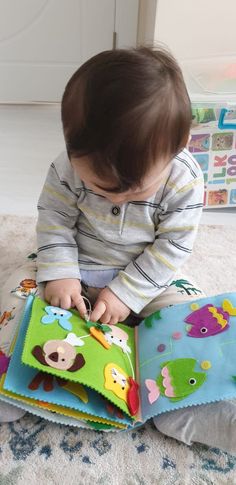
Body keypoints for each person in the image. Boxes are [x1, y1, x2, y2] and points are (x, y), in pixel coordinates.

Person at [0, 47, 235, 454]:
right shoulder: (66, 167)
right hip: (75, 261)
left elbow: (173, 247)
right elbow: (53, 218)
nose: (118, 199)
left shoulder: (184, 179)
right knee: (16, 298)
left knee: (195, 324)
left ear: (179, 144)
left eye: (134, 189)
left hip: (150, 275)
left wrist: (126, 293)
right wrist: (59, 272)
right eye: (100, 185)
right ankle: (11, 379)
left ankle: (207, 411)